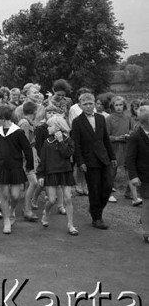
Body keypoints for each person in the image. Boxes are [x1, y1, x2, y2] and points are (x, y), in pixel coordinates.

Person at [71, 93, 117, 230]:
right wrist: (80, 162)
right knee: (94, 189)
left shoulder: (101, 118)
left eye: (91, 103)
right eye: (85, 104)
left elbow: (106, 140)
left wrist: (112, 156)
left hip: (103, 158)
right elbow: (76, 145)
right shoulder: (77, 122)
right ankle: (97, 218)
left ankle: (94, 209)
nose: (89, 106)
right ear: (80, 106)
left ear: (94, 104)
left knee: (107, 186)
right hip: (89, 160)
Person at [0, 105, 34, 234]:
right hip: (2, 168)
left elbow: (27, 150)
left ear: (3, 117)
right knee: (4, 195)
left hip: (15, 167)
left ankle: (12, 211)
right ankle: (6, 221)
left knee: (15, 196)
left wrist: (30, 166)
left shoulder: (18, 132)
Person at [37, 115, 77, 235]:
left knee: (68, 198)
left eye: (50, 126)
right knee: (52, 200)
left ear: (57, 127)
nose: (47, 128)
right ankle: (45, 212)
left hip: (65, 171)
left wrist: (60, 141)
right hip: (51, 172)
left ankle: (70, 225)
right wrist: (41, 175)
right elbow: (43, 160)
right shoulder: (47, 142)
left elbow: (67, 154)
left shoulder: (68, 140)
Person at [106, 96, 140, 205]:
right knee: (112, 171)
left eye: (120, 105)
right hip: (114, 148)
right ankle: (107, 193)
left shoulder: (128, 118)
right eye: (116, 105)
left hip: (126, 147)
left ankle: (134, 197)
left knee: (130, 170)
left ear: (124, 106)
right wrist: (116, 138)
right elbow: (106, 136)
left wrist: (128, 135)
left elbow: (132, 131)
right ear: (113, 106)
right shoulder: (109, 119)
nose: (119, 107)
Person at [125, 110, 149, 243]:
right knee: (147, 203)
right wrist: (133, 176)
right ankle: (147, 232)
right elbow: (130, 158)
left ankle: (145, 220)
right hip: (144, 175)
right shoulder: (135, 136)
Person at [17, 101, 39, 221]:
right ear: (34, 111)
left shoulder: (27, 122)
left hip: (30, 154)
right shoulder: (25, 123)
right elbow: (24, 143)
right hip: (26, 156)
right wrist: (27, 158)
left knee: (28, 184)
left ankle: (26, 207)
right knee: (33, 182)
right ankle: (27, 209)